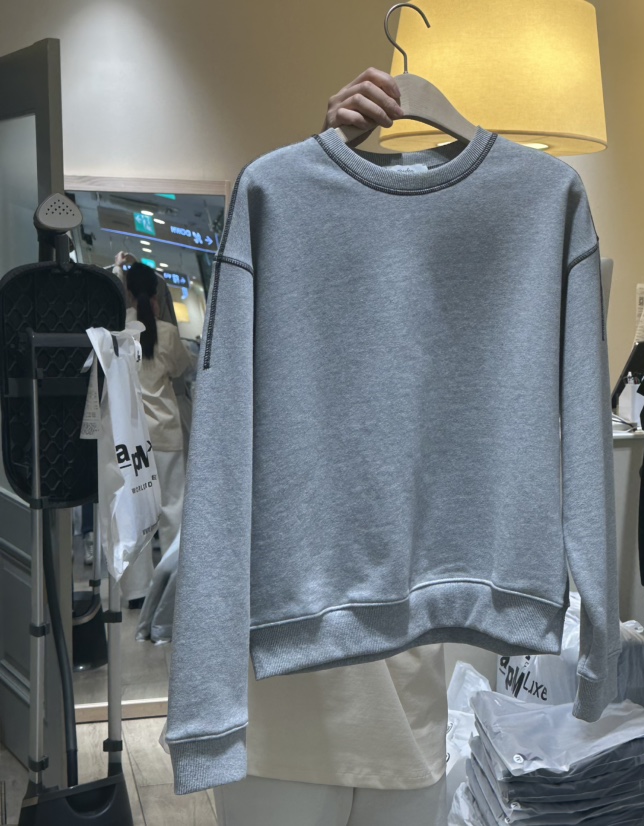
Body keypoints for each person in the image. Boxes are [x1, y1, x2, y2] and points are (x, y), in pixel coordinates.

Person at [211, 68, 450, 826]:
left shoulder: (457, 315)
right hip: (277, 714)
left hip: (406, 712)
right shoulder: (276, 254)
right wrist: (322, 164)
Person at [120, 261, 194, 608]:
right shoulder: (166, 332)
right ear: (156, 292)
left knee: (134, 515)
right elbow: (181, 369)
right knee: (173, 510)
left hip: (130, 437)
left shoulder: (117, 331)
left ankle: (137, 592)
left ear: (127, 291)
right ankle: (173, 588)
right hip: (165, 433)